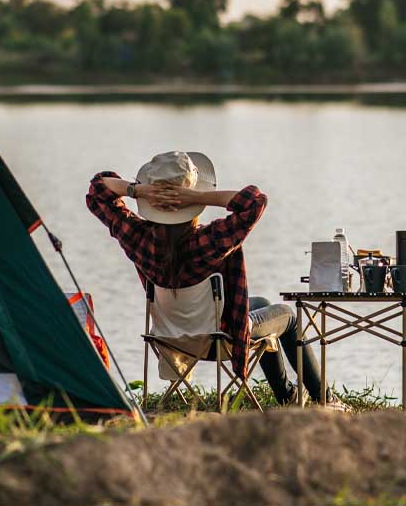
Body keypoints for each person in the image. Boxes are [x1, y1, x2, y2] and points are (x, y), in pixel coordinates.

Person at [85, 150, 336, 407]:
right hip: (219, 340)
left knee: (259, 302)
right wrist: (195, 196)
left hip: (170, 340)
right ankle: (325, 400)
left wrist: (138, 191)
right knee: (287, 316)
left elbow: (97, 190)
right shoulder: (209, 240)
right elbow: (255, 202)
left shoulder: (137, 238)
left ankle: (288, 396)